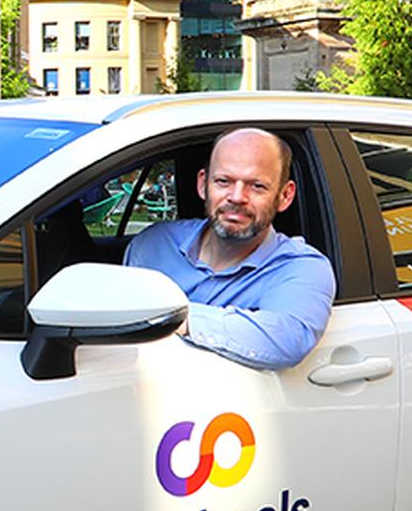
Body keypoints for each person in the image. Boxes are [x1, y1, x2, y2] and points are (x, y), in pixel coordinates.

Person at [121, 127, 336, 370]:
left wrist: (174, 319)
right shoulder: (153, 244)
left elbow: (287, 338)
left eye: (257, 186)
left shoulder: (302, 267)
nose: (237, 197)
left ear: (285, 196)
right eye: (224, 181)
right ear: (203, 184)